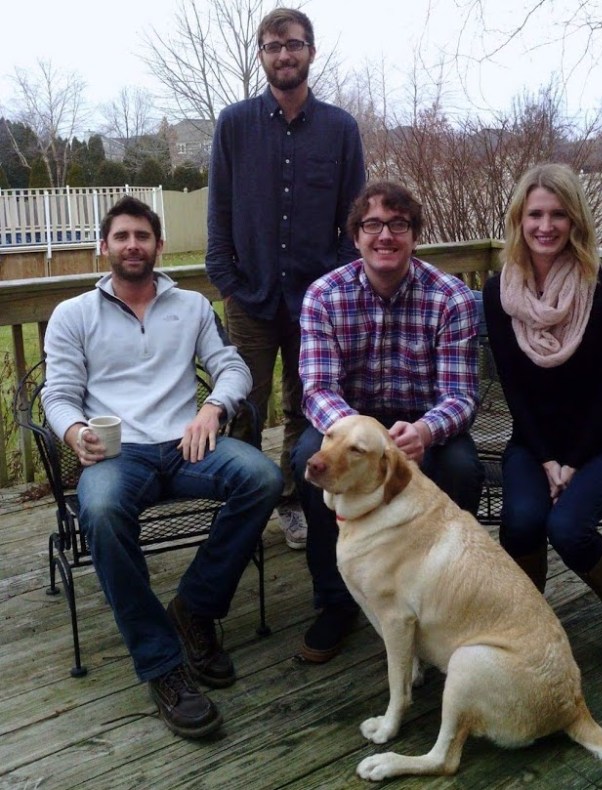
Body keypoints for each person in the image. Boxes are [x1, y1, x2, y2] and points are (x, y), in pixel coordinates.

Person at [42, 196, 283, 739]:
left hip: (187, 445)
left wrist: (213, 408)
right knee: (100, 510)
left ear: (158, 246)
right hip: (118, 454)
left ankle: (195, 607)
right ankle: (162, 665)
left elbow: (231, 366)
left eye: (143, 236)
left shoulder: (192, 307)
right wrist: (76, 432)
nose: (133, 245)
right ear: (104, 247)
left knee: (263, 478)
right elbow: (57, 396)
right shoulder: (73, 315)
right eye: (122, 236)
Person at [292, 181, 485, 663]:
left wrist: (424, 431)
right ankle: (336, 602)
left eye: (398, 225)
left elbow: (461, 395)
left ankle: (442, 594)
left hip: (422, 428)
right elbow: (317, 390)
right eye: (372, 225)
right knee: (306, 460)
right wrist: (363, 437)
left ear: (414, 235)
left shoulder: (451, 298)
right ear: (355, 236)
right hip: (346, 427)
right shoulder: (323, 296)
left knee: (464, 467)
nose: (385, 235)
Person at [205, 7, 366, 551]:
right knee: (244, 404)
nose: (284, 55)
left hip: (315, 302)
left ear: (311, 52)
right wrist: (226, 280)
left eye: (293, 45)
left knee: (306, 405)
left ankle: (293, 500)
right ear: (262, 55)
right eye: (273, 47)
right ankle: (243, 504)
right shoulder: (234, 124)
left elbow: (355, 216)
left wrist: (336, 285)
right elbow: (219, 213)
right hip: (248, 296)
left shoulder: (340, 129)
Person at [482, 162, 602, 670]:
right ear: (519, 220)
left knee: (569, 528)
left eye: (557, 214)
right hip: (534, 444)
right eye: (535, 214)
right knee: (523, 522)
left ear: (575, 220)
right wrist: (548, 457)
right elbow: (513, 387)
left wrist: (571, 461)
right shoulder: (500, 291)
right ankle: (529, 625)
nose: (545, 226)